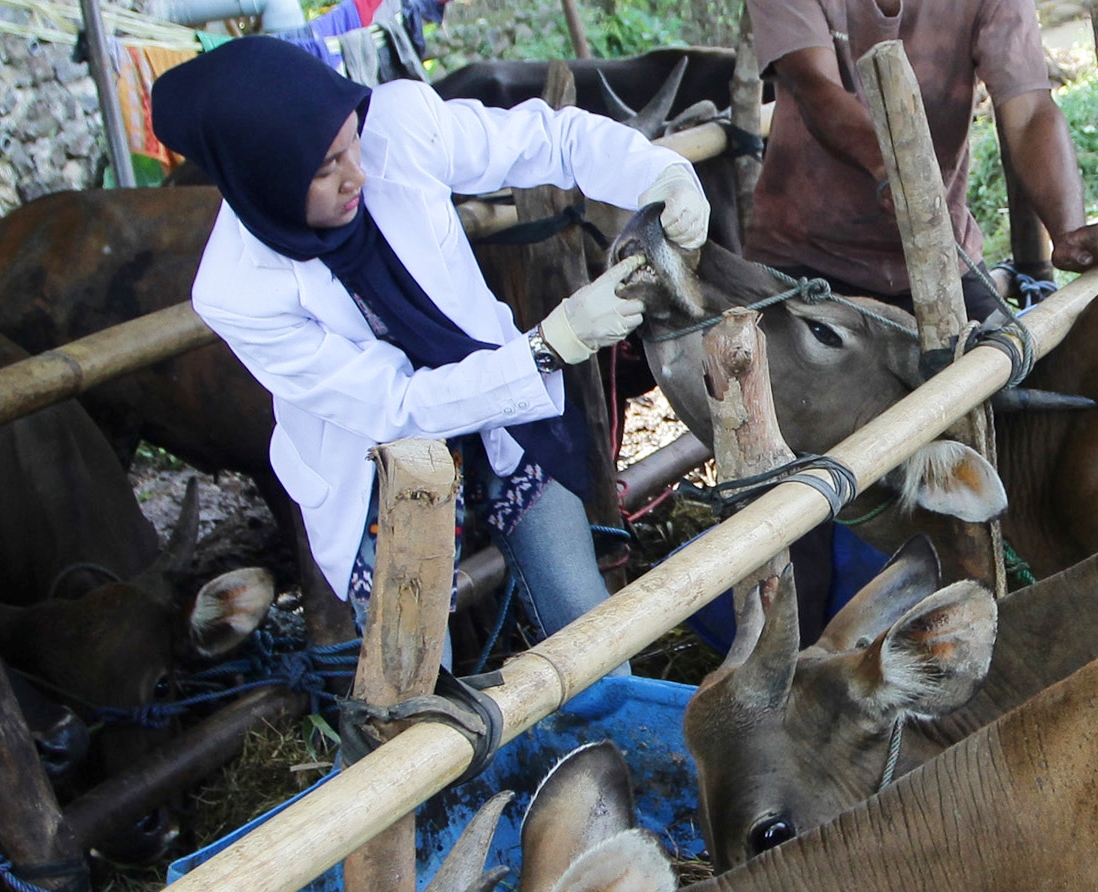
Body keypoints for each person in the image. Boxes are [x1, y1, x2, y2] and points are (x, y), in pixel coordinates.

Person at [152, 37, 709, 643]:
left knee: (588, 624)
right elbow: (397, 407)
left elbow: (549, 140)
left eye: (351, 142)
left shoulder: (399, 124)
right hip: (380, 472)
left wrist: (660, 173)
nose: (357, 173)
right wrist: (552, 345)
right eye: (324, 168)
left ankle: (600, 717)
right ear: (264, 182)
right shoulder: (239, 294)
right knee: (418, 688)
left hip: (501, 411)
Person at [743, 0, 1098, 322]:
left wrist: (1067, 230)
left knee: (1018, 391)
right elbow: (814, 86)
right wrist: (895, 170)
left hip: (943, 258)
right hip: (800, 259)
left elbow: (1029, 109)